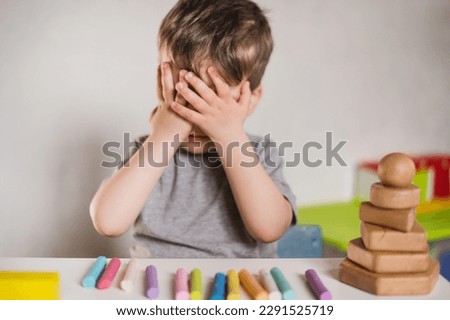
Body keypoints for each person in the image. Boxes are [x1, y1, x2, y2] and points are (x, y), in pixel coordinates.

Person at [90, 0, 297, 258]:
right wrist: (163, 136)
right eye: (187, 97)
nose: (198, 118)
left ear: (251, 98)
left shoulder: (258, 153)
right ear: (162, 85)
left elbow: (270, 229)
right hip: (157, 288)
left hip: (239, 288)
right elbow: (108, 222)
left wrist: (230, 137)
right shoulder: (149, 150)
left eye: (213, 102)